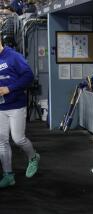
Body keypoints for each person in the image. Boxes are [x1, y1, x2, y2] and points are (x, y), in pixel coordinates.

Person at [0, 32, 40, 188]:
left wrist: (9, 89)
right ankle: (8, 175)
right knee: (1, 141)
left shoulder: (13, 56)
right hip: (0, 107)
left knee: (18, 139)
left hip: (16, 105)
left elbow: (28, 76)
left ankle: (33, 157)